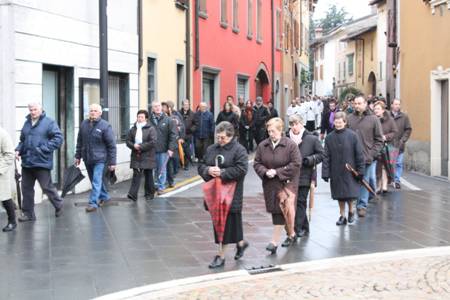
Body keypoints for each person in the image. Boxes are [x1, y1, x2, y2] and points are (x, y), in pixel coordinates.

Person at [198, 121, 249, 268]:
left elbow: (241, 169)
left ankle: (220, 256)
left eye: (223, 138)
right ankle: (241, 243)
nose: (220, 141)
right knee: (227, 225)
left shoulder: (239, 150)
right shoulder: (211, 149)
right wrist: (207, 170)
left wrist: (223, 173)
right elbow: (201, 165)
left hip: (232, 195)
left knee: (225, 227)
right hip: (215, 195)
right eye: (218, 137)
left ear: (231, 136)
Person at [254, 118, 301, 254]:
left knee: (282, 210)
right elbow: (257, 163)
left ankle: (274, 242)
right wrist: (264, 171)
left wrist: (278, 172)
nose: (270, 134)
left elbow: (296, 164)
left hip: (287, 183)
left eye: (273, 131)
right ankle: (291, 234)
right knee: (278, 211)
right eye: (269, 131)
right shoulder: (263, 146)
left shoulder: (291, 145)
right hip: (270, 184)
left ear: (280, 130)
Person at [16, 102, 64, 221]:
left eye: (35, 109)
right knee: (26, 188)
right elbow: (22, 140)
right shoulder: (27, 123)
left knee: (46, 187)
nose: (33, 112)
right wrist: (18, 150)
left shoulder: (49, 122)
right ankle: (28, 214)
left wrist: (42, 149)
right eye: (31, 110)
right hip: (27, 162)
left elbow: (58, 138)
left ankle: (59, 205)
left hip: (41, 161)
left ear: (41, 110)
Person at [322, 112, 365, 225]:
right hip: (336, 170)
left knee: (350, 194)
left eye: (340, 122)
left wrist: (361, 170)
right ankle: (342, 216)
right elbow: (326, 156)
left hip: (350, 170)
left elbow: (359, 154)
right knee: (339, 195)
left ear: (345, 122)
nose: (338, 124)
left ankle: (351, 212)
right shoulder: (329, 138)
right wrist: (325, 173)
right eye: (336, 122)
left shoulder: (352, 136)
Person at [347, 95, 384, 218]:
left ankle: (361, 205)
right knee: (355, 180)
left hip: (368, 156)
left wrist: (372, 154)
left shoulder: (373, 119)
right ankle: (363, 198)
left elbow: (379, 140)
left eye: (359, 103)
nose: (356, 106)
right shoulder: (350, 119)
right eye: (355, 103)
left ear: (365, 104)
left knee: (364, 180)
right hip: (352, 156)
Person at [75, 103, 116, 212]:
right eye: (91, 110)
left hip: (100, 159)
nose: (92, 112)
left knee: (96, 181)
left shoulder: (105, 126)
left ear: (100, 113)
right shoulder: (84, 124)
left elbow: (111, 146)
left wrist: (112, 162)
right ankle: (105, 197)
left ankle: (93, 203)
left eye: (95, 111)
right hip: (87, 158)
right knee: (94, 179)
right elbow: (80, 141)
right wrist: (77, 156)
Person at [287, 115, 323, 237]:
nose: (294, 127)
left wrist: (310, 160)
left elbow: (321, 155)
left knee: (301, 201)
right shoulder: (286, 138)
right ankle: (305, 226)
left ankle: (296, 229)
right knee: (293, 202)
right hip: (290, 176)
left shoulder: (311, 138)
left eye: (296, 124)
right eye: (292, 124)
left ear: (302, 124)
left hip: (305, 174)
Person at [126, 110, 157, 201]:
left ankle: (149, 193)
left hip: (148, 155)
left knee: (148, 174)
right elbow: (128, 141)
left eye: (141, 117)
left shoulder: (151, 129)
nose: (139, 119)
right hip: (136, 155)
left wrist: (141, 147)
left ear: (146, 118)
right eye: (138, 117)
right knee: (136, 174)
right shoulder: (133, 129)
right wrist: (133, 146)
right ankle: (132, 194)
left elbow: (153, 142)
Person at [150, 101, 177, 194]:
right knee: (152, 169)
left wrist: (171, 148)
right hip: (151, 149)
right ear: (152, 108)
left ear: (161, 107)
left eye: (158, 106)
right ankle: (153, 186)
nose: (157, 108)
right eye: (155, 106)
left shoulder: (168, 120)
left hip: (163, 149)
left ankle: (161, 187)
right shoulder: (149, 120)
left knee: (162, 169)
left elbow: (173, 135)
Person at [373, 101, 398, 194]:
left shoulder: (390, 120)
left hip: (389, 146)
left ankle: (384, 185)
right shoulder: (372, 119)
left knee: (386, 166)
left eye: (378, 109)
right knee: (378, 167)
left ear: (383, 110)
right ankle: (379, 185)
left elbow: (395, 132)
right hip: (376, 146)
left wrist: (385, 137)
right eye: (375, 109)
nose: (376, 110)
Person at [162, 101, 185, 188]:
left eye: (164, 107)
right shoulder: (160, 118)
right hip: (163, 144)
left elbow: (181, 127)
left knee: (171, 162)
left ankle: (171, 180)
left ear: (169, 108)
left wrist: (181, 137)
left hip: (172, 144)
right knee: (165, 163)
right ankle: (165, 181)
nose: (163, 109)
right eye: (162, 107)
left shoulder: (175, 117)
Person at [391, 98, 412, 189]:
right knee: (391, 163)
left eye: (399, 104)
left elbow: (408, 129)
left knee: (398, 163)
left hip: (400, 144)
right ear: (392, 105)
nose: (397, 106)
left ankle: (397, 180)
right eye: (396, 104)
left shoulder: (404, 116)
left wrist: (403, 140)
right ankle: (390, 179)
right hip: (390, 144)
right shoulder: (387, 115)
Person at [0, 127, 16, 231]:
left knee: (5, 198)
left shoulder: (3, 134)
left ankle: (12, 221)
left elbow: (10, 155)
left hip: (1, 172)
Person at [180, 99, 196, 170]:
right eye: (185, 105)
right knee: (181, 149)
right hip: (180, 135)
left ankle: (186, 164)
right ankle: (181, 163)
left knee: (187, 149)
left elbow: (196, 124)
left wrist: (191, 129)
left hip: (188, 134)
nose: (186, 106)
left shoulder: (192, 114)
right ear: (182, 105)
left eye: (188, 105)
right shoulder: (179, 113)